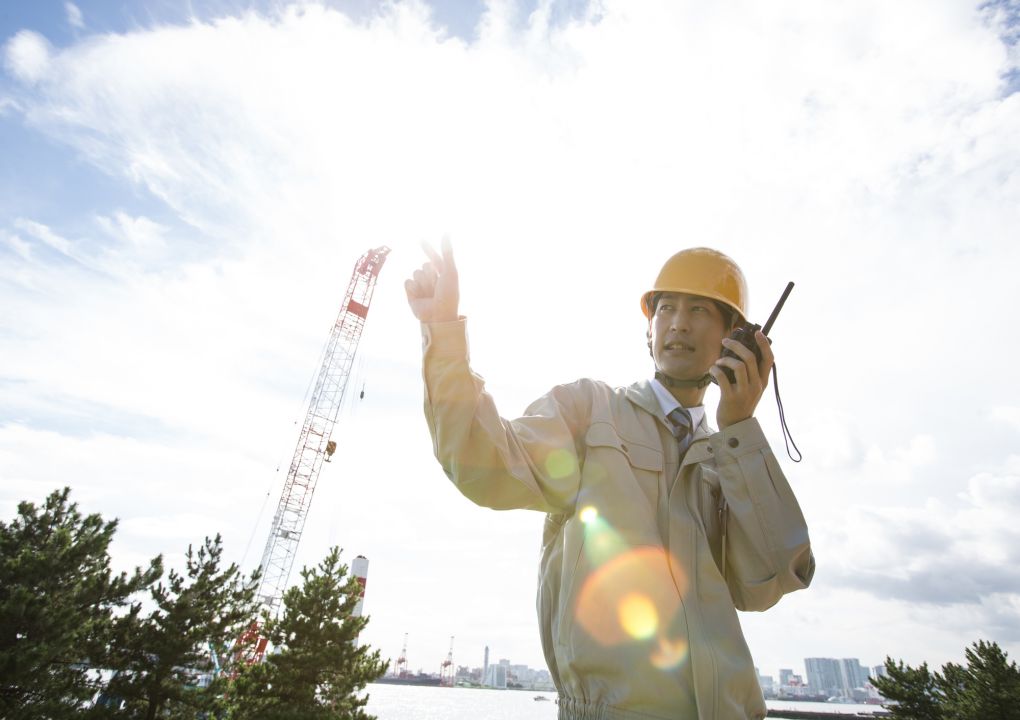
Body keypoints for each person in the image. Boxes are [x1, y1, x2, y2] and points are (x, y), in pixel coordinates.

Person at [405, 239, 814, 720]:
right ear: (649, 327)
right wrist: (443, 333)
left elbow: (768, 582)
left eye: (699, 309)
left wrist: (740, 429)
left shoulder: (730, 454)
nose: (678, 323)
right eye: (666, 308)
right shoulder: (589, 412)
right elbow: (479, 460)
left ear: (735, 337)